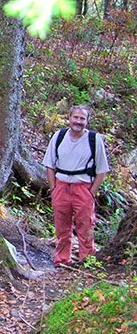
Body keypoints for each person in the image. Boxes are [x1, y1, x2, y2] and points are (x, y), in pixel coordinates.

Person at [42, 105, 110, 267]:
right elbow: (50, 165)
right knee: (61, 228)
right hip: (61, 187)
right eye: (75, 117)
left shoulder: (94, 140)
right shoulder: (59, 137)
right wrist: (54, 189)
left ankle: (86, 261)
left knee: (85, 227)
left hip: (83, 188)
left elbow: (102, 170)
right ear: (69, 118)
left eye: (82, 118)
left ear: (87, 121)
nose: (78, 121)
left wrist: (91, 192)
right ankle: (62, 261)